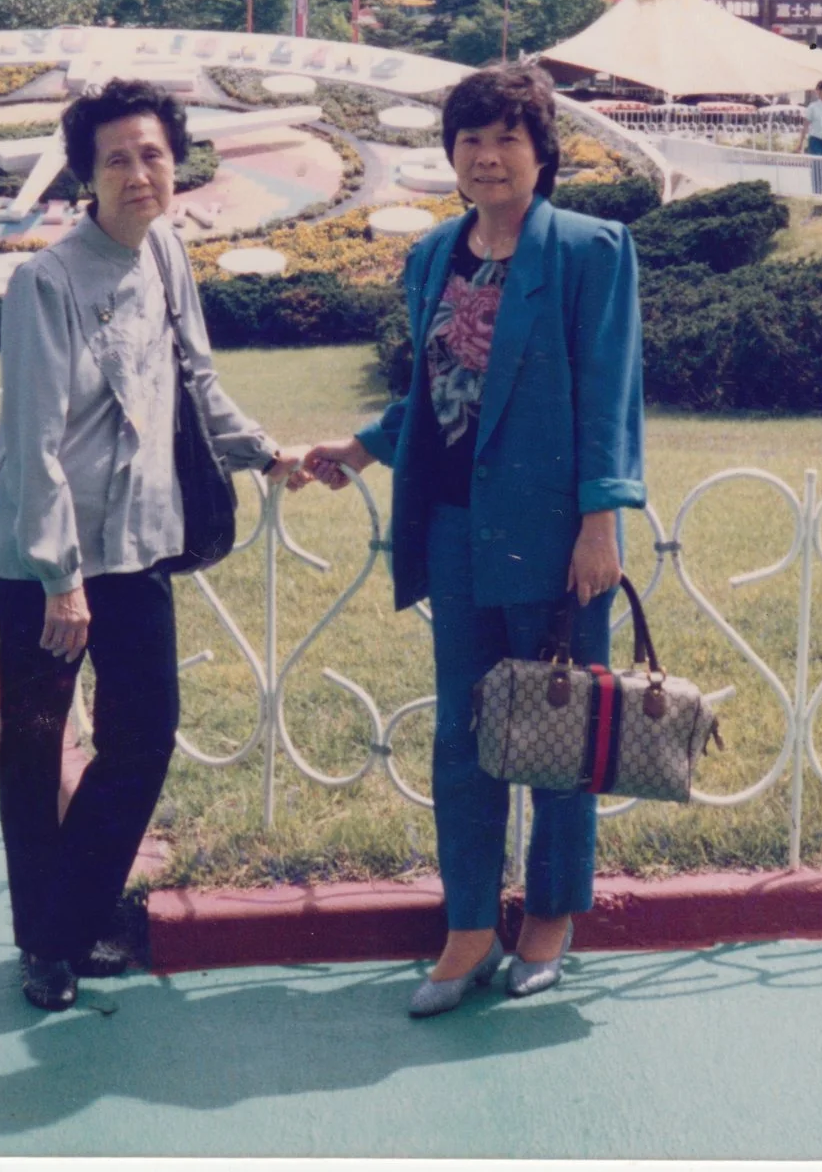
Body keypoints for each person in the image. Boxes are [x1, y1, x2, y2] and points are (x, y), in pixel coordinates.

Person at [304, 62, 644, 1016]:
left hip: (555, 537)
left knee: (561, 727)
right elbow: (436, 390)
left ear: (542, 153)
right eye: (471, 139)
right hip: (454, 529)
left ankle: (550, 915)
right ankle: (467, 924)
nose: (488, 156)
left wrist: (602, 519)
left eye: (507, 138)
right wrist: (363, 447)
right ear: (451, 153)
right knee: (464, 733)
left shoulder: (590, 250)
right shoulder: (432, 257)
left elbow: (608, 393)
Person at [0, 76, 308, 1012]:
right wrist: (59, 577)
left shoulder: (165, 251)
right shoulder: (44, 283)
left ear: (177, 163)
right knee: (36, 748)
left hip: (137, 547)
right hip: (46, 565)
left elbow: (197, 380)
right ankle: (44, 944)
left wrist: (263, 450)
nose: (139, 173)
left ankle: (69, 919)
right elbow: (34, 444)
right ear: (85, 174)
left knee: (144, 735)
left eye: (154, 154)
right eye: (117, 158)